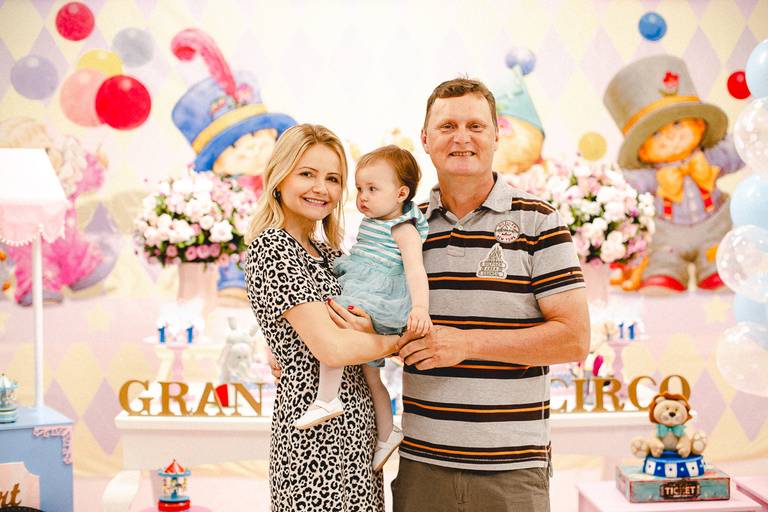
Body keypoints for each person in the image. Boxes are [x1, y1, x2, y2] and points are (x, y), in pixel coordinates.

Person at [392, 78, 591, 511]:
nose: (462, 137)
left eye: (475, 126)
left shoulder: (539, 221)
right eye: (447, 126)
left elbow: (574, 339)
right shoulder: (405, 229)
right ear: (425, 139)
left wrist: (466, 344)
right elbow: (372, 317)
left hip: (513, 472)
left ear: (496, 135)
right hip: (422, 467)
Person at [244, 124, 411, 511]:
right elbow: (334, 349)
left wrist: (371, 336)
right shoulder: (273, 247)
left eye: (333, 179)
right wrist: (395, 343)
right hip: (312, 436)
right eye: (307, 174)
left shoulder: (331, 254)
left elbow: (363, 325)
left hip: (358, 431)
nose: (321, 188)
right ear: (280, 178)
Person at [294, 145, 431, 473]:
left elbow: (415, 271)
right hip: (365, 287)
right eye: (359, 189)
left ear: (401, 193)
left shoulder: (404, 228)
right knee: (372, 376)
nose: (363, 197)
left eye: (372, 189)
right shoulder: (372, 222)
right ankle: (387, 433)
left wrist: (421, 308)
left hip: (381, 297)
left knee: (334, 326)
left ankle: (327, 398)